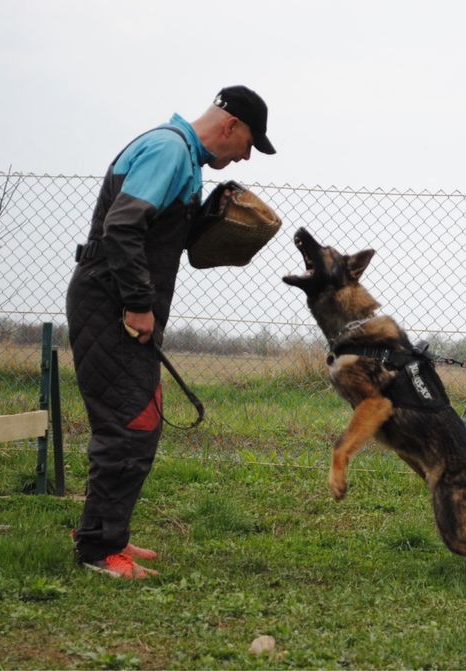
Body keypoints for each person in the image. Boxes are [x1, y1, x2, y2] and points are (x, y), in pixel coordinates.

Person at [66, 86, 276, 579]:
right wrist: (139, 304)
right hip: (113, 305)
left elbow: (158, 235)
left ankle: (103, 532)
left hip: (117, 304)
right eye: (249, 143)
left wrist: (206, 219)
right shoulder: (168, 150)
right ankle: (100, 551)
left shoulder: (185, 160)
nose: (245, 156)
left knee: (138, 418)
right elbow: (122, 228)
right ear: (230, 126)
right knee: (130, 423)